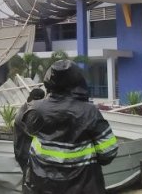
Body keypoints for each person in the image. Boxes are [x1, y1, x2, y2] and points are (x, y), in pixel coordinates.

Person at [20, 60, 118, 194]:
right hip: (84, 186)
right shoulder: (89, 112)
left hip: (40, 185)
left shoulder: (35, 109)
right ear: (78, 81)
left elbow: (23, 142)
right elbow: (108, 151)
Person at [13, 88, 45, 174]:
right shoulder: (27, 113)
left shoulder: (27, 108)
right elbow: (33, 132)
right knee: (29, 178)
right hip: (25, 153)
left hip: (24, 152)